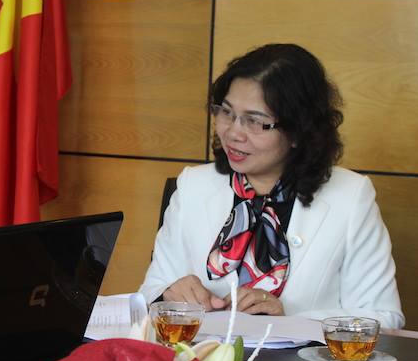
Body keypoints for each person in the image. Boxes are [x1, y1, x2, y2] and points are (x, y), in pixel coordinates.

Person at [139, 43, 404, 329]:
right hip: (200, 353)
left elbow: (384, 318)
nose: (233, 132)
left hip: (296, 358)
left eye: (255, 121)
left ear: (298, 131)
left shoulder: (350, 197)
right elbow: (150, 292)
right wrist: (168, 294)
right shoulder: (194, 185)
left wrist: (288, 319)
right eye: (226, 112)